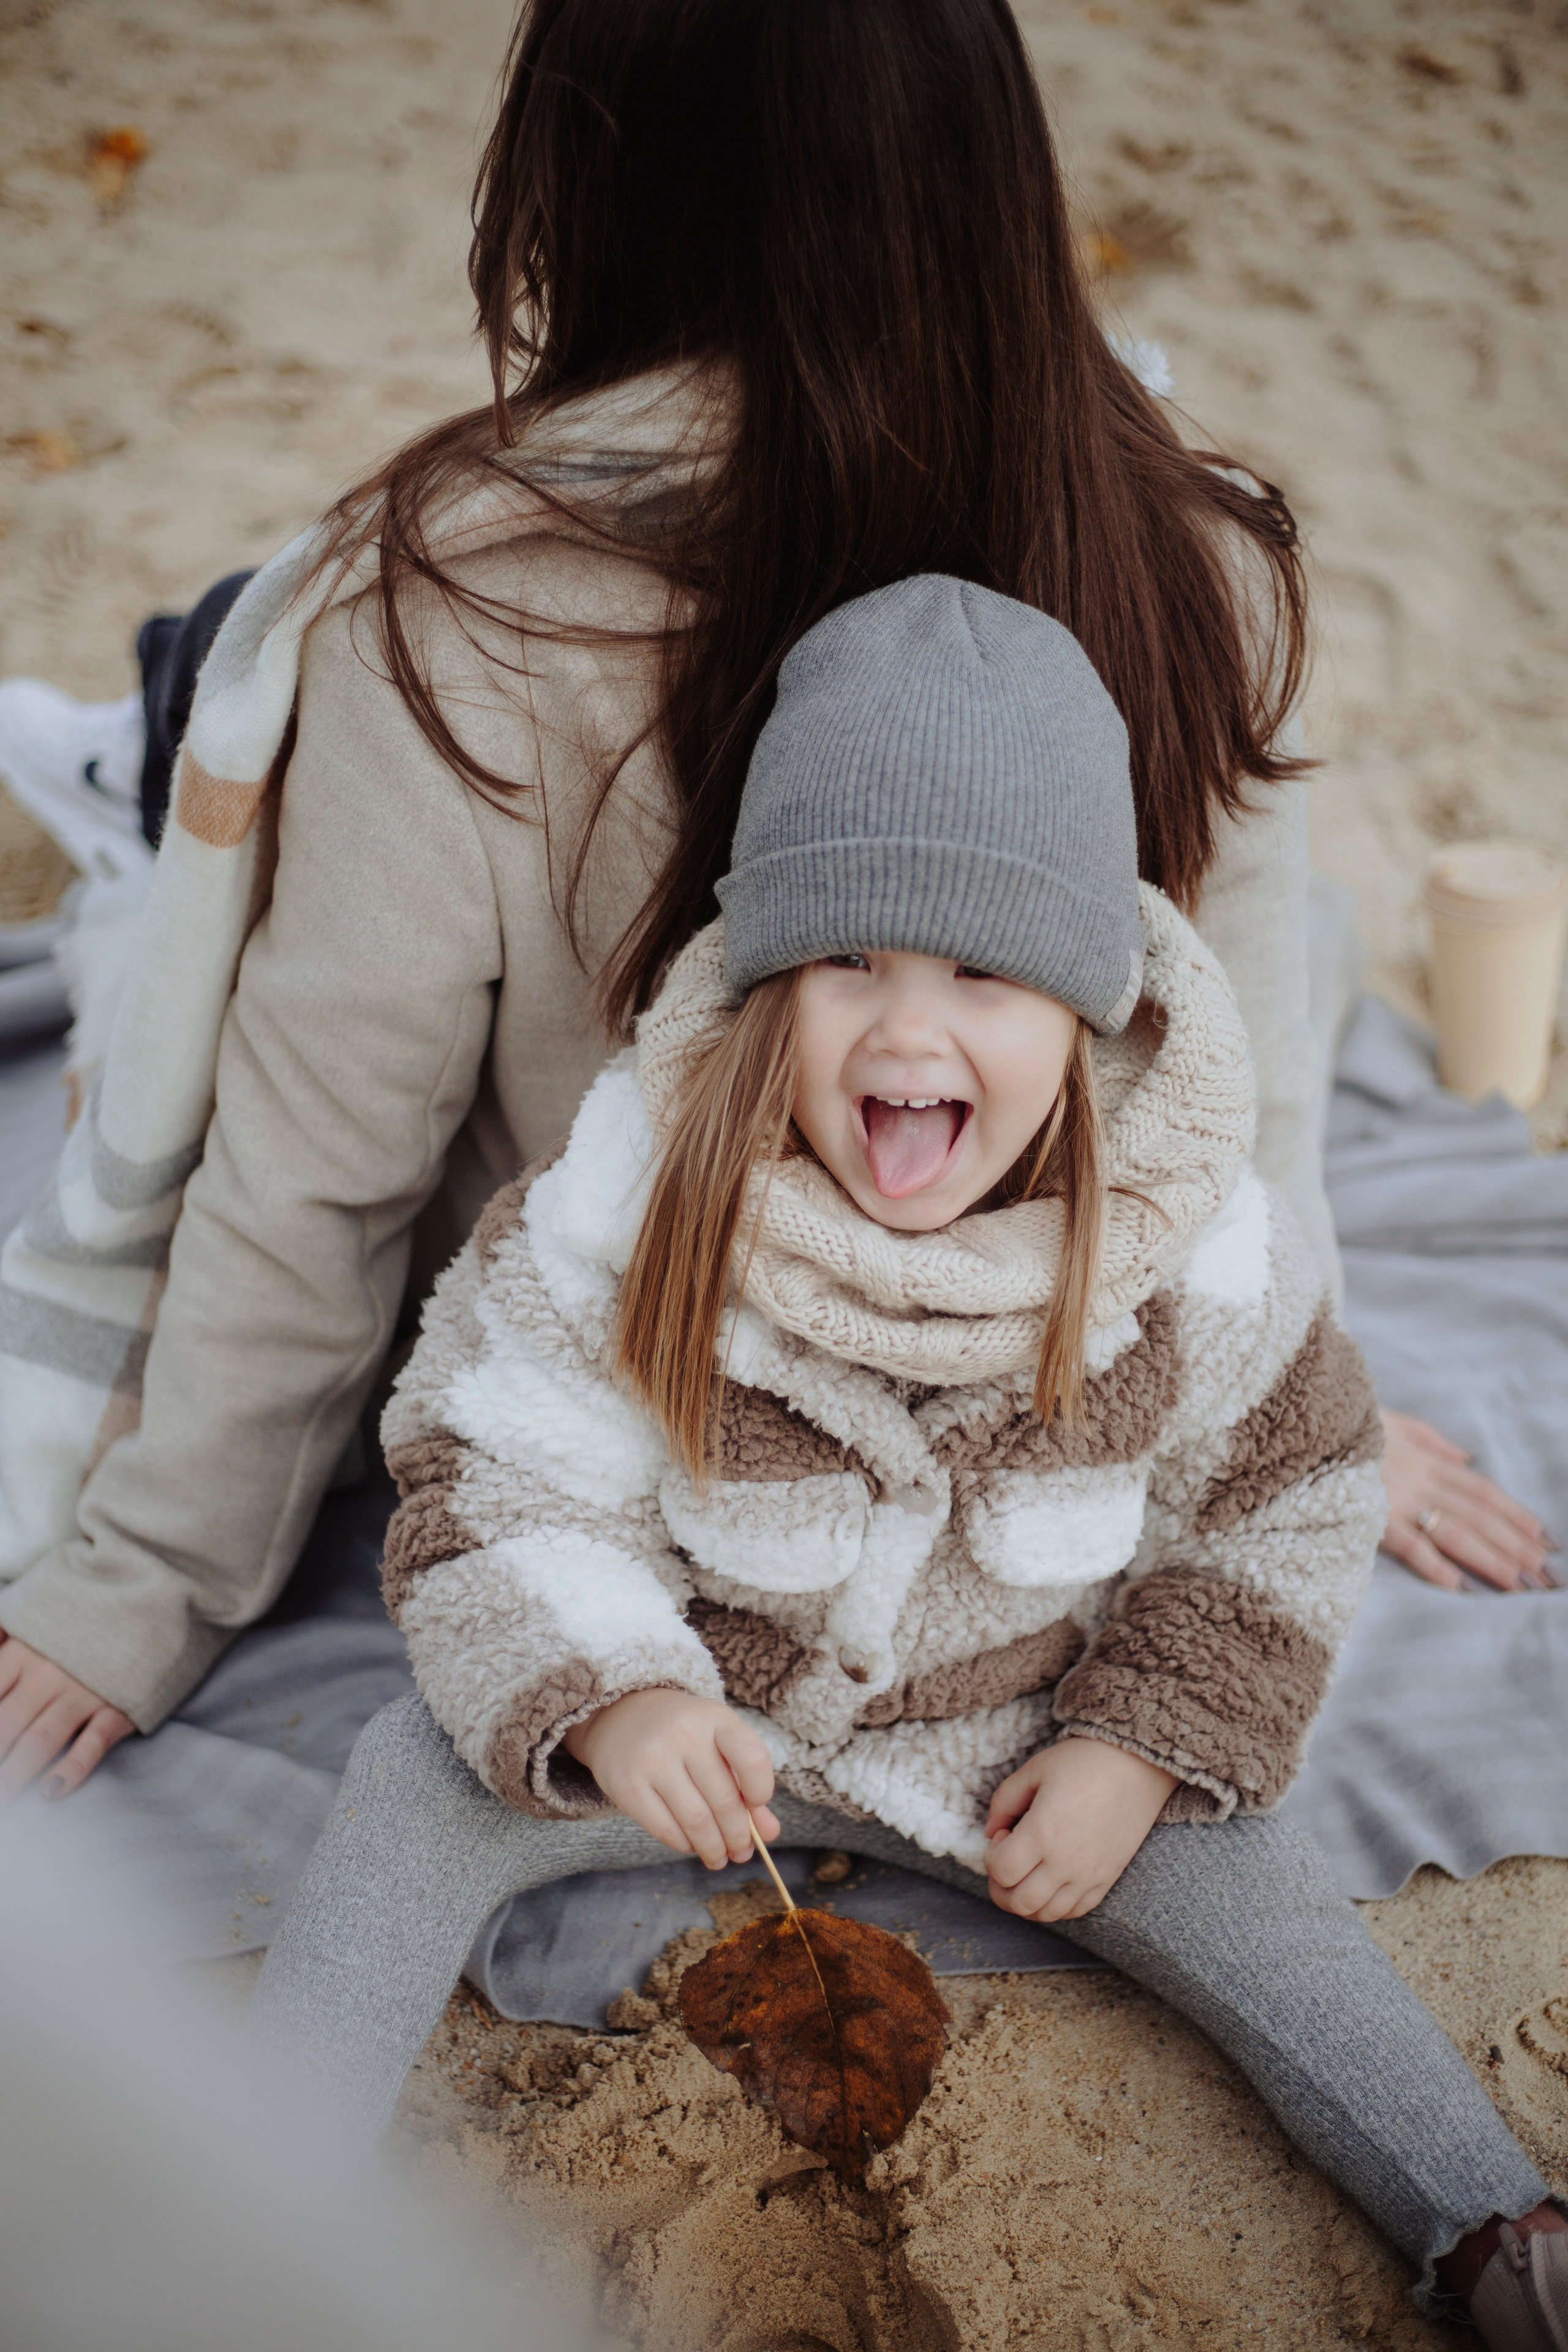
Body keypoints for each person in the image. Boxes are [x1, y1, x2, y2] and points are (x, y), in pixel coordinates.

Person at [0, 0, 1550, 1828]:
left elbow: (317, 1178)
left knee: (224, 678)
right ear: (998, 180)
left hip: (646, 1369)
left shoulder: (454, 612)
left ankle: (149, 737)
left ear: (592, 182)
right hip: (964, 1351)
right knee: (220, 667)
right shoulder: (1193, 555)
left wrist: (151, 1582)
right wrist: (1293, 1390)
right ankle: (151, 721)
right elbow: (1252, 1086)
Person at [250, 578, 1564, 2342]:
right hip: (700, 1707)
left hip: (1006, 1723)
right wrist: (620, 1699)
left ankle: (1492, 2225)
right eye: (849, 959)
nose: (910, 1028)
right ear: (772, 980)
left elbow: (1289, 1497)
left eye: (986, 972)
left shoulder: (1187, 1243)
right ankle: (250, 2202)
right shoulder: (625, 1212)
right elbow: (492, 1478)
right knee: (413, 1787)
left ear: (1087, 1014)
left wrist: (1132, 1746)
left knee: (1238, 1878)